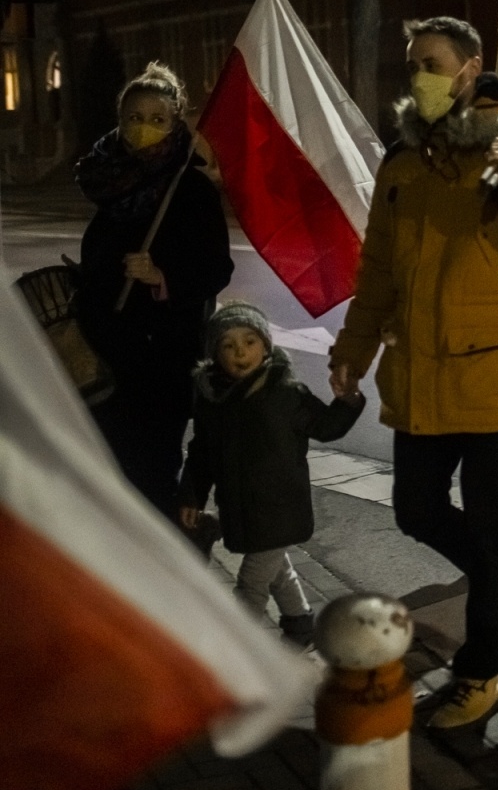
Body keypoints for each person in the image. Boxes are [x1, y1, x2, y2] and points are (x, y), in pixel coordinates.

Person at [328, 17, 498, 728]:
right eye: (413, 64)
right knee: (415, 509)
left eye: (433, 62)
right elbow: (378, 268)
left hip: (495, 377)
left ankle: (480, 672)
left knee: (490, 525)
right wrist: (353, 348)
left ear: (471, 68)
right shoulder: (404, 160)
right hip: (421, 371)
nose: (420, 76)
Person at [74, 61, 234, 519]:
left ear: (175, 122)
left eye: (158, 119)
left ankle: (168, 550)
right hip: (105, 361)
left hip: (163, 361)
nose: (145, 127)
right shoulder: (110, 183)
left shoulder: (191, 188)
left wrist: (161, 276)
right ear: (119, 121)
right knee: (110, 475)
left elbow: (216, 268)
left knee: (154, 474)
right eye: (135, 118)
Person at [177, 302, 364, 644]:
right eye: (228, 345)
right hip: (240, 505)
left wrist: (347, 400)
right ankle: (300, 622)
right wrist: (191, 494)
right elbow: (202, 452)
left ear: (265, 346)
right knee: (276, 569)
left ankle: (237, 647)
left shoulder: (286, 393)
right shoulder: (212, 399)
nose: (240, 352)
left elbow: (325, 427)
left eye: (249, 341)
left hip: (281, 509)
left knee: (251, 582)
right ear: (215, 354)